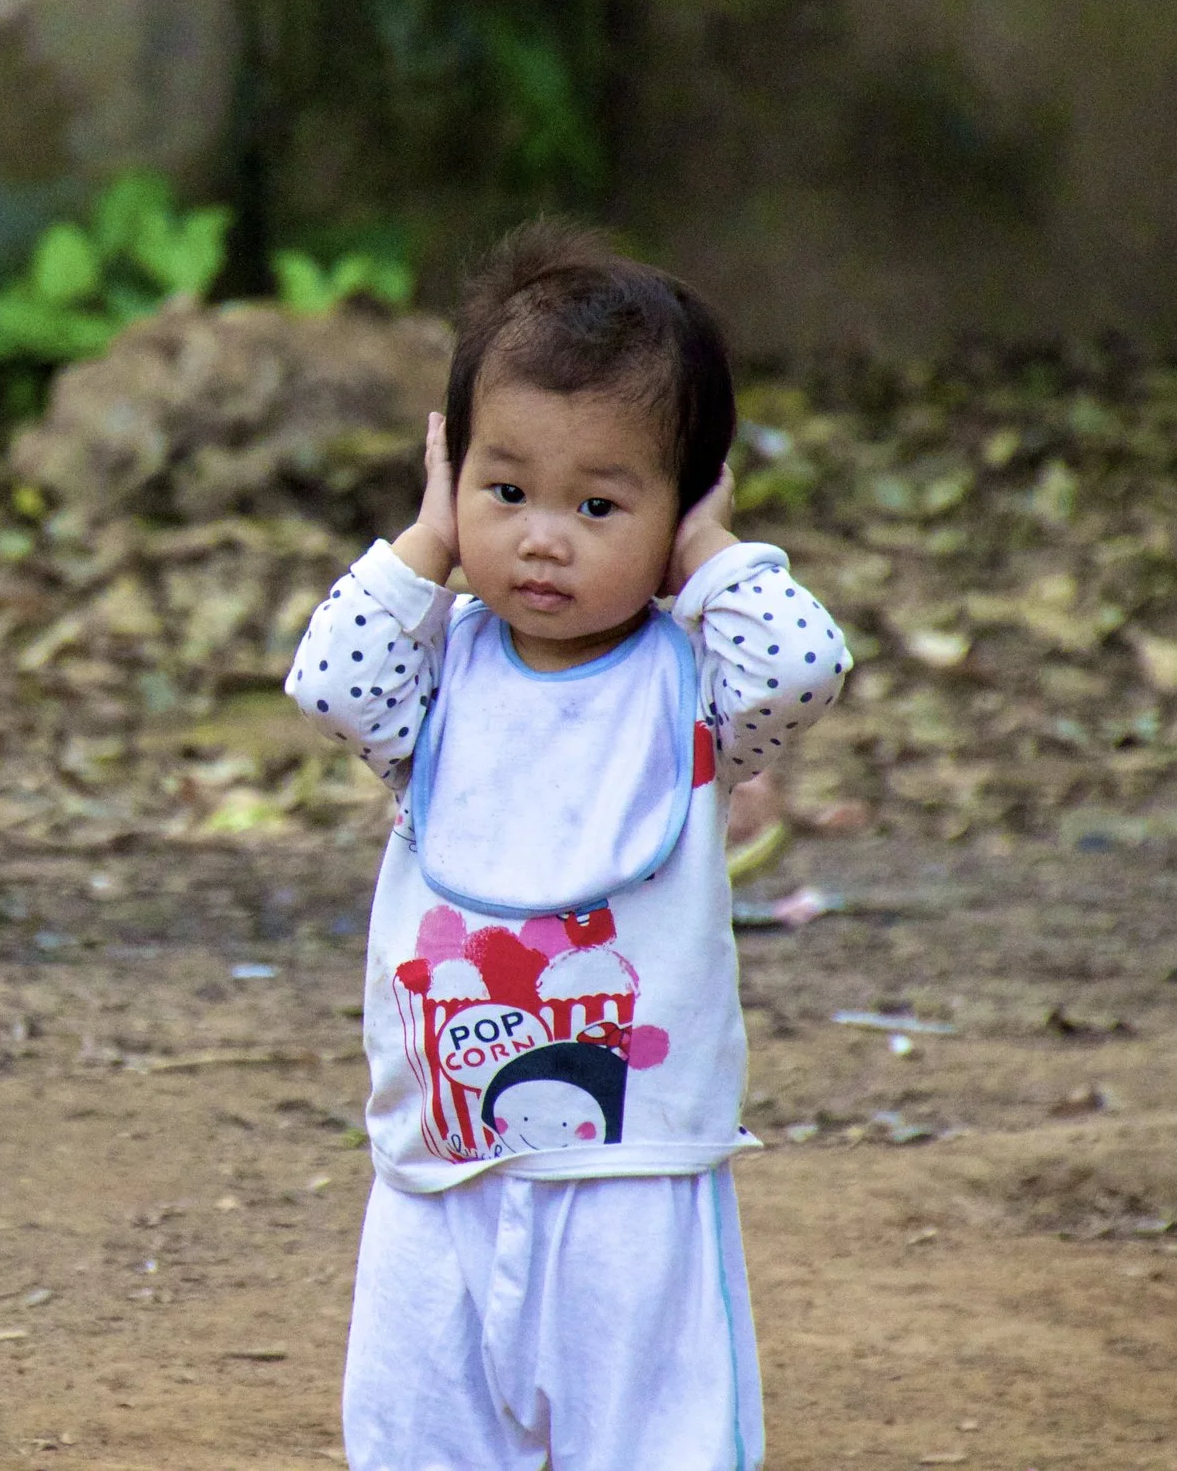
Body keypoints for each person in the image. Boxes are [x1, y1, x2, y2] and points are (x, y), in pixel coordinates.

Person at [287, 220, 850, 1470]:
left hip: (633, 1172)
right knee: (418, 1437)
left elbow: (803, 663)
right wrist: (431, 535)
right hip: (438, 1168)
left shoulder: (689, 691)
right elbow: (326, 680)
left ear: (679, 502)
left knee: (650, 1441)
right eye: (507, 489)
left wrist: (707, 549)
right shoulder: (432, 681)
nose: (543, 535)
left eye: (599, 503)